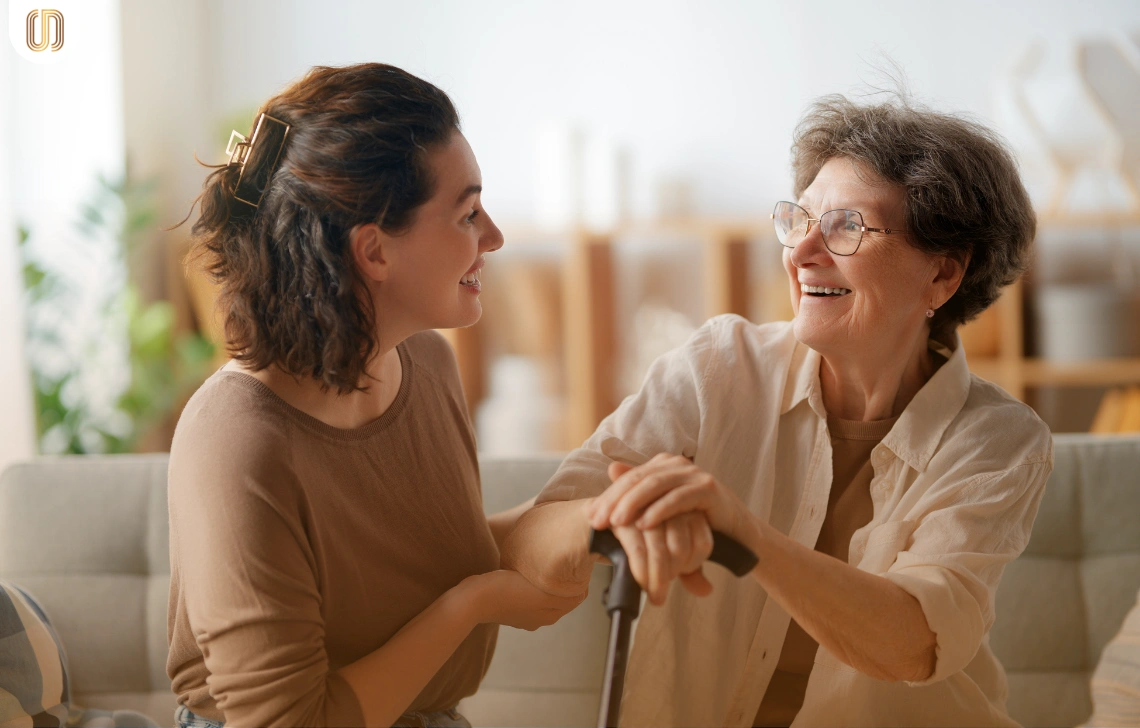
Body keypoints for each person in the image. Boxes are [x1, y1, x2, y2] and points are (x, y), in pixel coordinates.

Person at [502, 94, 1052, 727]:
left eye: (846, 226)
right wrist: (624, 514)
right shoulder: (718, 369)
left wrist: (746, 535)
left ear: (942, 276)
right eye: (800, 219)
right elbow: (531, 539)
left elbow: (914, 642)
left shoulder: (999, 441)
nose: (801, 251)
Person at [166, 63, 583, 728]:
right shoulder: (237, 439)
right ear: (375, 252)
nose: (494, 237)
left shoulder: (427, 363)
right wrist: (475, 605)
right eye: (468, 213)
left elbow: (422, 560)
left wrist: (591, 513)